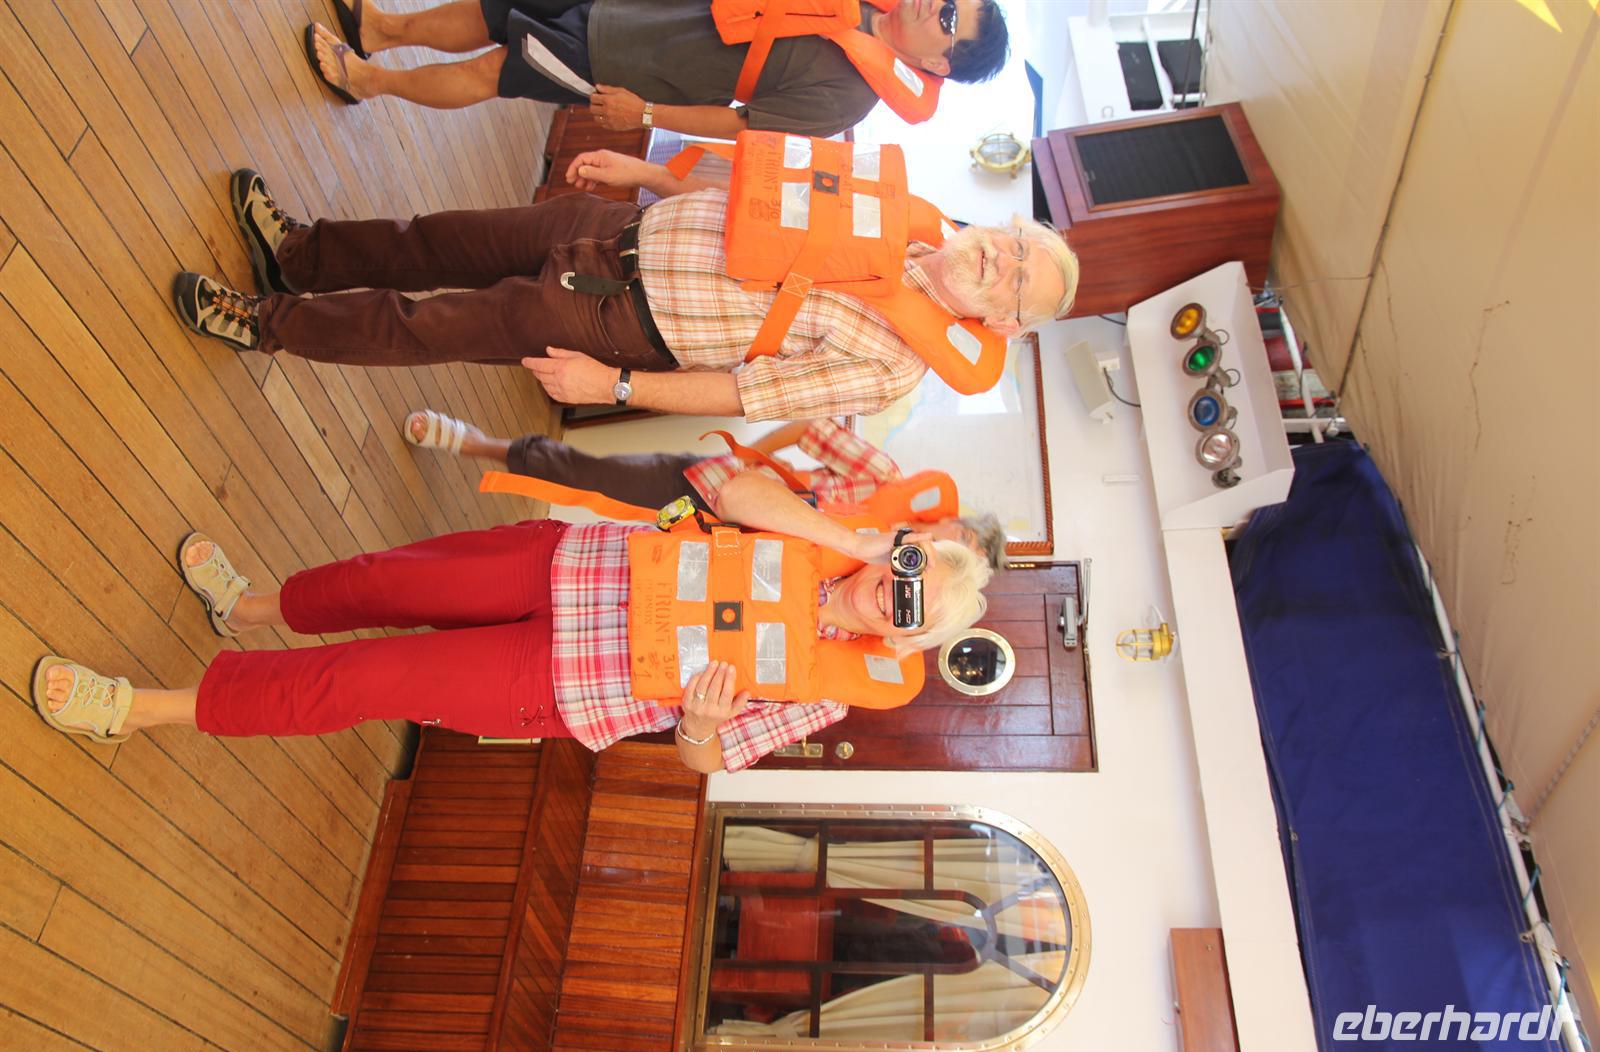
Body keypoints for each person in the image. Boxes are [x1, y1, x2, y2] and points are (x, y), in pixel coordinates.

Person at [30, 464, 990, 775]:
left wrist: (700, 721)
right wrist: (858, 540)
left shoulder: (830, 694)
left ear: (905, 638)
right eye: (908, 566)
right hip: (566, 564)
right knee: (383, 582)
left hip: (568, 681)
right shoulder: (829, 531)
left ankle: (142, 709)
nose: (894, 588)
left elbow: (706, 761)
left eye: (913, 606)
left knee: (365, 679)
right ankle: (249, 606)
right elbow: (732, 486)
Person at [177, 157, 1078, 421]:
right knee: (436, 239)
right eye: (1012, 245)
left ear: (1002, 324)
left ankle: (264, 322)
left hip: (617, 317)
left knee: (427, 324)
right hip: (619, 225)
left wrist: (613, 385)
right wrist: (647, 174)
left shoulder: (894, 369)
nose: (997, 262)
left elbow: (742, 394)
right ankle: (297, 254)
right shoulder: (902, 213)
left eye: (1015, 282)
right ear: (997, 226)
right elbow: (758, 193)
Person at [303, 0, 1009, 138]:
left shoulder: (848, 98)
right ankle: (380, 30)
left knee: (499, 70)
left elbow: (744, 127)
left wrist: (643, 114)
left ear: (937, 63)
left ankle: (369, 82)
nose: (934, 5)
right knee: (495, 8)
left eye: (949, 19)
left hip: (633, 61)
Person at [404, 410, 1009, 570]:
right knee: (589, 476)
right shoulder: (885, 479)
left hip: (719, 562)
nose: (942, 551)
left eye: (956, 560)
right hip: (709, 490)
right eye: (956, 540)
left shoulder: (888, 583)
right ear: (949, 521)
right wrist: (750, 460)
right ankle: (478, 444)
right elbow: (811, 430)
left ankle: (462, 562)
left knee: (593, 556)